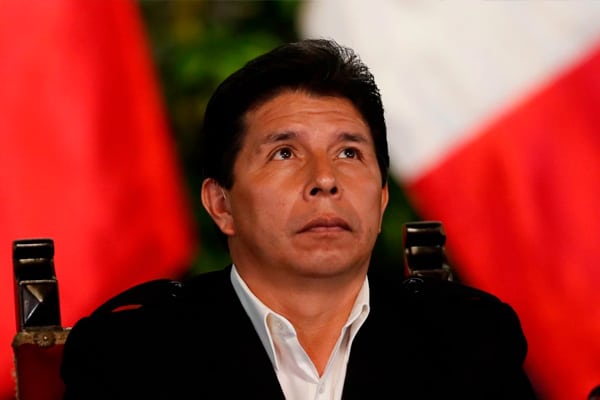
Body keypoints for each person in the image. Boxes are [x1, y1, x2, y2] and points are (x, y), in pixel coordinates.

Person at [60, 38, 537, 399]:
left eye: (349, 153)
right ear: (221, 204)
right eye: (285, 153)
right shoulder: (130, 356)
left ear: (382, 199)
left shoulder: (470, 340)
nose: (325, 180)